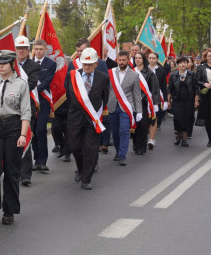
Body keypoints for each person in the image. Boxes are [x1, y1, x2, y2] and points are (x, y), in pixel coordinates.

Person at [0, 50, 31, 225]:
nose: (0, 66)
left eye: (4, 63)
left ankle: (9, 210)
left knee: (11, 169)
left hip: (13, 127)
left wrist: (23, 135)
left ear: (12, 64)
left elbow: (26, 111)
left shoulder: (21, 84)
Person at [64, 47, 110, 190]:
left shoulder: (103, 78)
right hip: (75, 117)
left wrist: (96, 113)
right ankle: (81, 169)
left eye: (90, 64)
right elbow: (68, 95)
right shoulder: (72, 75)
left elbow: (105, 98)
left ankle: (86, 179)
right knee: (74, 146)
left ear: (96, 63)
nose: (87, 67)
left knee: (91, 149)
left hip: (92, 119)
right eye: (85, 64)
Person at [51, 38, 90, 163]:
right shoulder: (71, 66)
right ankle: (63, 147)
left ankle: (69, 153)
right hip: (63, 104)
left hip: (78, 106)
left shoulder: (96, 64)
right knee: (57, 129)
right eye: (77, 51)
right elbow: (68, 83)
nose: (79, 53)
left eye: (81, 51)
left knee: (72, 131)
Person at [107, 50, 144, 166]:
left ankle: (122, 155)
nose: (121, 62)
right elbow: (106, 91)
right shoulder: (110, 73)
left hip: (126, 108)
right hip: (112, 106)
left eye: (124, 60)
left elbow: (137, 94)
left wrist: (139, 111)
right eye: (119, 60)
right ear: (117, 60)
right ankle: (118, 151)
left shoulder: (135, 75)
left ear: (128, 60)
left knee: (124, 130)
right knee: (115, 132)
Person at [13, 36, 41, 186]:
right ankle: (14, 171)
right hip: (11, 108)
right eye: (19, 48)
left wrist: (13, 89)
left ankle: (25, 175)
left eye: (24, 48)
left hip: (27, 107)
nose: (21, 51)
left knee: (25, 140)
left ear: (28, 50)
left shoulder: (33, 66)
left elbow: (31, 84)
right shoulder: (10, 64)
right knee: (12, 141)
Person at [29, 38, 57, 174]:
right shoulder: (28, 63)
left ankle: (43, 161)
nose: (38, 51)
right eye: (36, 49)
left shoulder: (51, 64)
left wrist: (34, 90)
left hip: (43, 101)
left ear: (45, 50)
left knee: (41, 130)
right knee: (33, 131)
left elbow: (47, 82)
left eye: (41, 49)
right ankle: (36, 159)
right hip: (30, 102)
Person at [168, 56, 197, 147]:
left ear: (187, 64)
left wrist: (196, 100)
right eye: (181, 63)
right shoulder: (173, 75)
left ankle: (184, 139)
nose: (183, 64)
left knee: (186, 119)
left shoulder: (192, 74)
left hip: (189, 100)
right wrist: (168, 100)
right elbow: (170, 88)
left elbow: (196, 88)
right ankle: (178, 136)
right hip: (177, 100)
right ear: (177, 65)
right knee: (177, 119)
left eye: (185, 62)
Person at [133, 52, 157, 157]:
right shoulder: (131, 71)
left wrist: (155, 103)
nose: (137, 60)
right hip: (133, 103)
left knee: (143, 125)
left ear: (143, 59)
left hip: (144, 102)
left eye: (139, 58)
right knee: (135, 125)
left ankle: (141, 147)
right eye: (136, 58)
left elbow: (154, 88)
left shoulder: (149, 72)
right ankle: (136, 144)